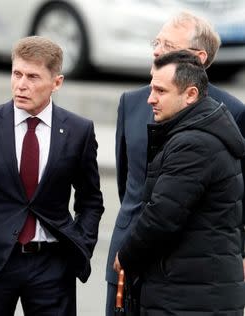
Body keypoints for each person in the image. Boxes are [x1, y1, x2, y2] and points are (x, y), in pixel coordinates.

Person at [0, 35, 104, 316]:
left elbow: (90, 200)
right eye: (16, 74)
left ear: (56, 83)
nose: (21, 84)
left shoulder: (79, 131)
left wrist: (81, 245)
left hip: (52, 265)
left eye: (32, 77)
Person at [105, 11, 245, 315]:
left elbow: (234, 197)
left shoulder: (228, 113)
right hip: (129, 260)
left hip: (183, 274)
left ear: (198, 58)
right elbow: (128, 180)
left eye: (168, 45)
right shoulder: (132, 102)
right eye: (156, 42)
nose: (156, 51)